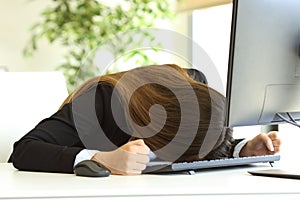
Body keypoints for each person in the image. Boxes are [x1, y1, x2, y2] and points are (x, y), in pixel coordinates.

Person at [9, 64, 281, 175]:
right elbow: (23, 150)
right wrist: (100, 158)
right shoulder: (100, 100)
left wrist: (240, 148)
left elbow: (200, 146)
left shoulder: (194, 83)